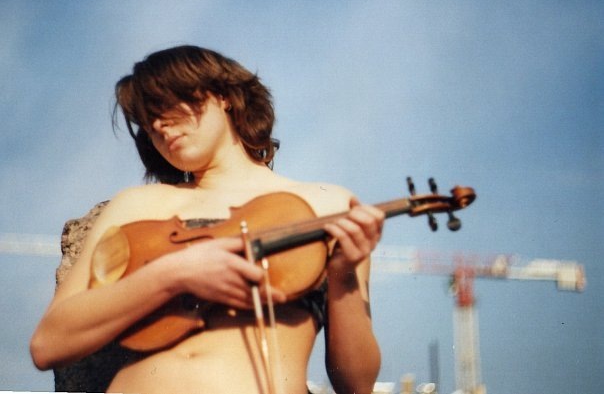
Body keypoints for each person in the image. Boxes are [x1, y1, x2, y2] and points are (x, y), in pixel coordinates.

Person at [30, 45, 384, 394]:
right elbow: (48, 344)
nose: (158, 125)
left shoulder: (327, 204)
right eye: (147, 120)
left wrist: (344, 276)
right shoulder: (136, 205)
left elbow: (356, 384)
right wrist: (173, 275)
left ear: (224, 96)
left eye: (167, 104)